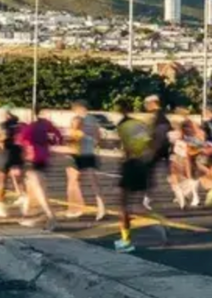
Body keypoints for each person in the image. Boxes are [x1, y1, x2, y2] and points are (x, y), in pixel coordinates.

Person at [114, 100, 154, 253]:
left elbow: (127, 147)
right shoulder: (139, 124)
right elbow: (149, 143)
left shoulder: (122, 125)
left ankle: (126, 241)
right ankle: (161, 227)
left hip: (131, 164)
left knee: (123, 204)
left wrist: (124, 162)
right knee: (136, 204)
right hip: (142, 163)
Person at [18, 106, 62, 230]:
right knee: (32, 189)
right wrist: (50, 143)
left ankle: (50, 216)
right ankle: (29, 216)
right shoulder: (46, 124)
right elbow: (58, 136)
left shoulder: (28, 128)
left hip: (32, 159)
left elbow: (21, 142)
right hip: (44, 158)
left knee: (38, 190)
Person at [65, 100, 105, 221]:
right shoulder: (92, 120)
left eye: (75, 109)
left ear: (80, 108)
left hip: (78, 153)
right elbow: (98, 137)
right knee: (89, 181)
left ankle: (75, 208)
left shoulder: (79, 119)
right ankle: (100, 207)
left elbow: (72, 137)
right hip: (86, 153)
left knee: (74, 181)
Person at [0, 111, 27, 219]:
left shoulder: (4, 125)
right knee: (19, 179)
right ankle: (24, 201)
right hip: (18, 154)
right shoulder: (21, 126)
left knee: (1, 182)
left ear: (7, 116)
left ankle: (1, 208)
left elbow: (2, 138)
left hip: (6, 155)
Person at [144, 95, 173, 211]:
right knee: (168, 173)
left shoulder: (157, 117)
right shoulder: (163, 117)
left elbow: (156, 135)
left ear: (153, 103)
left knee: (149, 172)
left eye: (147, 104)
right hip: (164, 149)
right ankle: (183, 193)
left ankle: (147, 198)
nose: (146, 106)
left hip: (157, 149)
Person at [172, 119, 202, 209]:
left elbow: (196, 149)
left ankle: (193, 197)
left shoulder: (190, 139)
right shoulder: (184, 139)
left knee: (189, 178)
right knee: (186, 178)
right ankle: (188, 196)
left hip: (187, 160)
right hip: (183, 159)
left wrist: (192, 152)